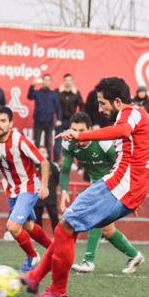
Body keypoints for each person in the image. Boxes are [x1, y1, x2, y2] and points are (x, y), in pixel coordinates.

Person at [21, 77, 149, 297]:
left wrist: (80, 135)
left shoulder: (131, 113)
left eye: (103, 103)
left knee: (65, 227)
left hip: (116, 187)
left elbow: (121, 130)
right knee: (67, 228)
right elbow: (148, 158)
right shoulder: (146, 120)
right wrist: (136, 194)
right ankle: (35, 278)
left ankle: (58, 292)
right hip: (125, 191)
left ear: (117, 102)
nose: (100, 108)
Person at [60, 112, 143, 274]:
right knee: (107, 229)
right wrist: (63, 190)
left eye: (82, 130)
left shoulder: (104, 144)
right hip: (96, 184)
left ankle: (88, 261)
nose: (77, 134)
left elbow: (123, 165)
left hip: (113, 184)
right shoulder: (68, 144)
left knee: (95, 218)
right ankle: (135, 255)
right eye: (74, 129)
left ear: (89, 130)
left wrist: (132, 194)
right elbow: (64, 171)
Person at [0, 106, 52, 271]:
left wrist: (44, 186)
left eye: (3, 121)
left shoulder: (20, 141)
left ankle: (32, 256)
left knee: (13, 226)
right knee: (28, 225)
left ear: (11, 123)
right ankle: (55, 250)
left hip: (29, 186)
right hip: (10, 188)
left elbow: (43, 162)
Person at [27, 74, 62, 160]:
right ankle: (35, 162)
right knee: (37, 142)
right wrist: (32, 85)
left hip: (49, 122)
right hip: (38, 121)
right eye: (45, 80)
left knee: (48, 144)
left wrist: (59, 119)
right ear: (42, 81)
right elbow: (29, 96)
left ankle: (49, 164)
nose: (46, 81)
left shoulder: (53, 94)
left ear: (50, 82)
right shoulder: (37, 93)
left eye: (48, 80)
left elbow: (58, 107)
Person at [54, 73, 84, 162]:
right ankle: (56, 162)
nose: (68, 82)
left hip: (72, 122)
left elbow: (82, 105)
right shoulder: (57, 92)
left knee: (73, 143)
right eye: (66, 80)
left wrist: (78, 118)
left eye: (70, 80)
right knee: (58, 143)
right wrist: (56, 118)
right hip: (60, 121)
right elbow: (52, 104)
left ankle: (71, 162)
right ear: (64, 81)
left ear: (72, 81)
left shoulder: (76, 93)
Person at [34, 146, 59, 231]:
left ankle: (57, 236)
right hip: (37, 196)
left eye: (43, 152)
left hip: (51, 196)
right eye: (39, 152)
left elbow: (57, 179)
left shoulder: (52, 166)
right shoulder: (33, 166)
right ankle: (40, 237)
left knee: (54, 216)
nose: (41, 154)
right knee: (37, 218)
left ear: (47, 154)